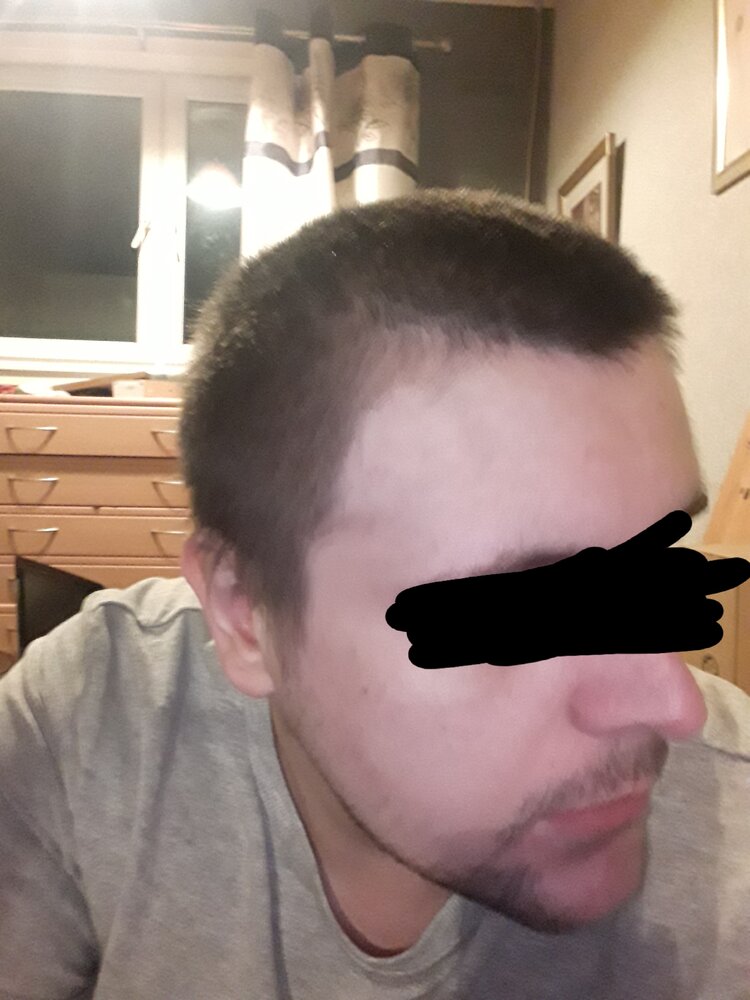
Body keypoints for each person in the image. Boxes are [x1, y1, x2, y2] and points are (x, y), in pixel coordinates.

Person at [1, 190, 748, 1000]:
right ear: (245, 614)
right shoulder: (89, 721)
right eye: (521, 610)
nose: (673, 704)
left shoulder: (734, 828)